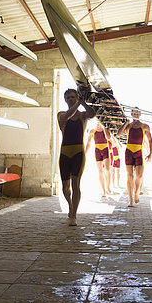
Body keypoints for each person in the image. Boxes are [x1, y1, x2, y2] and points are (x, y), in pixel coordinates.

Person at [58, 87, 96, 226]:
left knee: (75, 184)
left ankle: (73, 214)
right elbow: (67, 116)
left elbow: (92, 114)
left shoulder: (82, 115)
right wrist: (78, 103)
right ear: (65, 100)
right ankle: (70, 205)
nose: (71, 99)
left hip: (78, 153)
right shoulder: (61, 114)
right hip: (64, 153)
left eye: (73, 97)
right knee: (65, 187)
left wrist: (84, 102)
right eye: (68, 98)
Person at [116, 107, 152, 207]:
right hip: (129, 152)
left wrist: (150, 154)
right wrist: (125, 123)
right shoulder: (129, 126)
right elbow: (118, 134)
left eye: (137, 113)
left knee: (139, 175)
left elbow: (150, 140)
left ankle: (136, 192)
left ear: (140, 114)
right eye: (134, 113)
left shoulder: (145, 126)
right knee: (130, 175)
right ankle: (131, 199)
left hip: (139, 152)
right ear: (131, 114)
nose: (136, 114)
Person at [85, 120, 112, 197]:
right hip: (97, 151)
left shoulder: (105, 130)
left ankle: (108, 187)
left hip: (105, 150)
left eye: (99, 122)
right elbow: (89, 143)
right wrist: (85, 153)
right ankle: (103, 191)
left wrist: (105, 129)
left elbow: (109, 138)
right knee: (100, 171)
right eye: (97, 122)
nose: (98, 124)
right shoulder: (92, 131)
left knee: (107, 169)